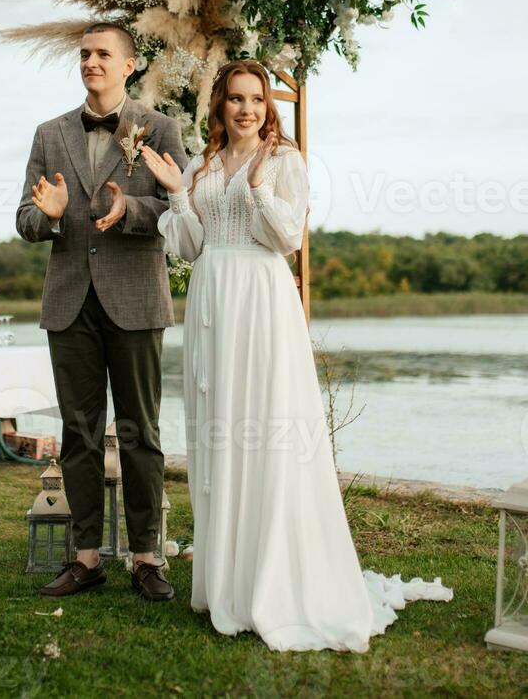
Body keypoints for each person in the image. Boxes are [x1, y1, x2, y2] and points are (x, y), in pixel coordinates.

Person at [140, 59, 453, 651]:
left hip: (261, 299)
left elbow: (287, 239)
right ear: (219, 106)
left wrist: (257, 190)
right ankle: (224, 580)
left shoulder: (284, 161)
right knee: (220, 429)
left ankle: (273, 580)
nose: (246, 109)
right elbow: (188, 246)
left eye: (256, 99)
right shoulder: (202, 164)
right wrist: (178, 196)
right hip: (211, 298)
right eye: (235, 99)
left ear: (268, 106)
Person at [16, 21, 187, 602]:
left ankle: (146, 556)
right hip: (69, 303)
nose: (90, 61)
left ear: (128, 65)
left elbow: (176, 208)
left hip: (136, 299)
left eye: (102, 54)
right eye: (84, 54)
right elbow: (25, 218)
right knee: (79, 433)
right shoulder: (48, 133)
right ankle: (85, 558)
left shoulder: (159, 127)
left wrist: (129, 210)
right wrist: (56, 215)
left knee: (141, 430)